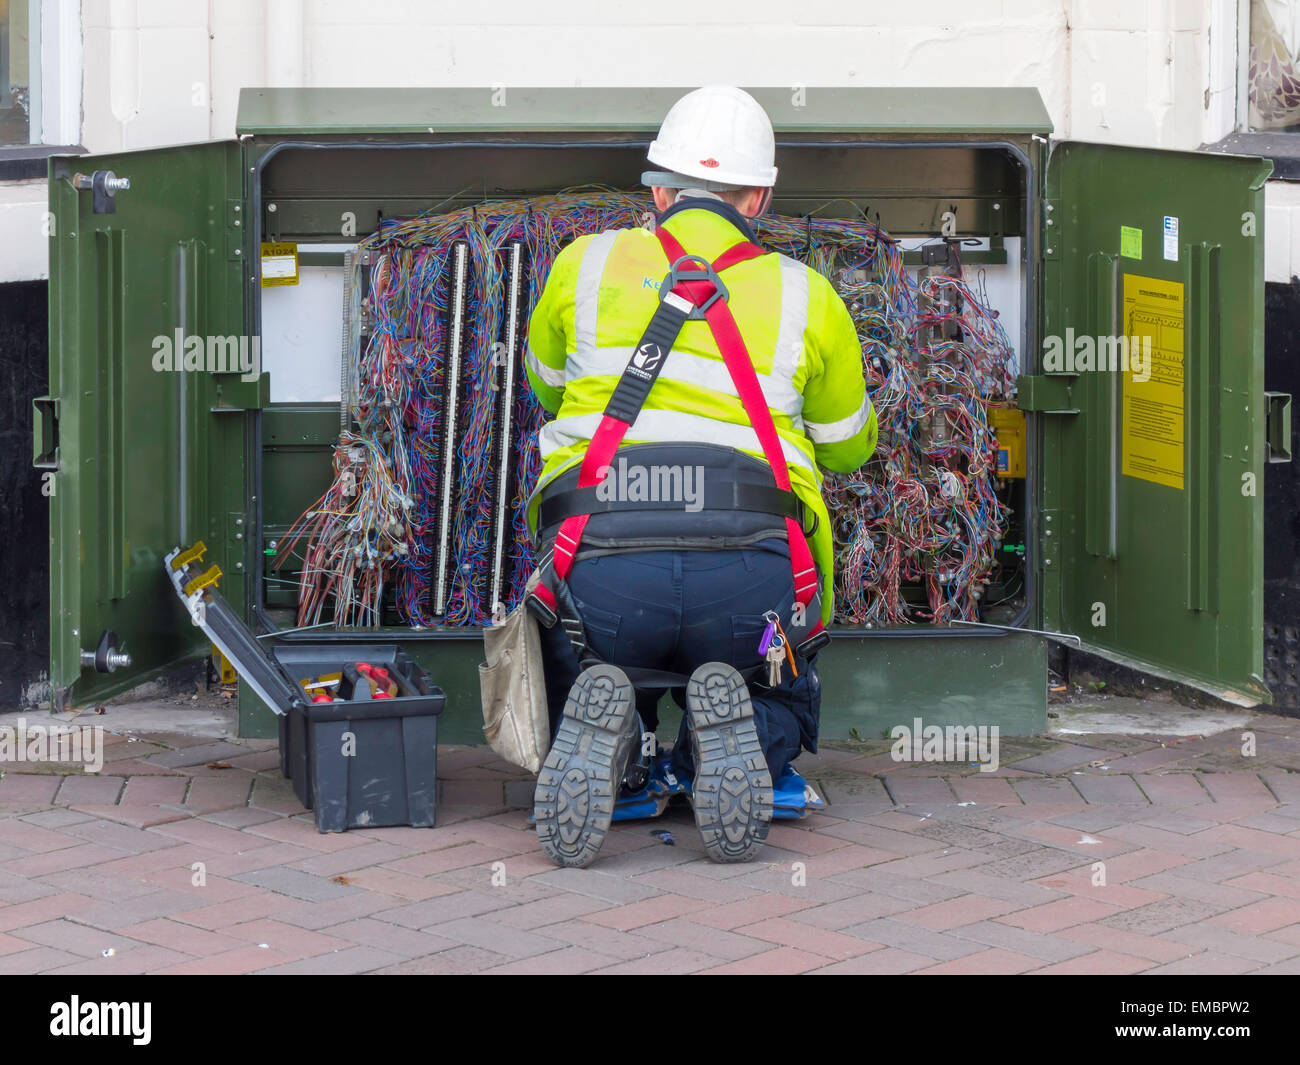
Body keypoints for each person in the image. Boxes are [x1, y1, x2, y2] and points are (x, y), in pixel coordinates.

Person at [522, 86, 876, 868]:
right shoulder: (804, 295)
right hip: (749, 585)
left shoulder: (584, 265)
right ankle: (735, 740)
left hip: (602, 574)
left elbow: (545, 385)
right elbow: (850, 447)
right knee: (777, 675)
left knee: (581, 655)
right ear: (761, 196)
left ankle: (618, 741)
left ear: (657, 190)